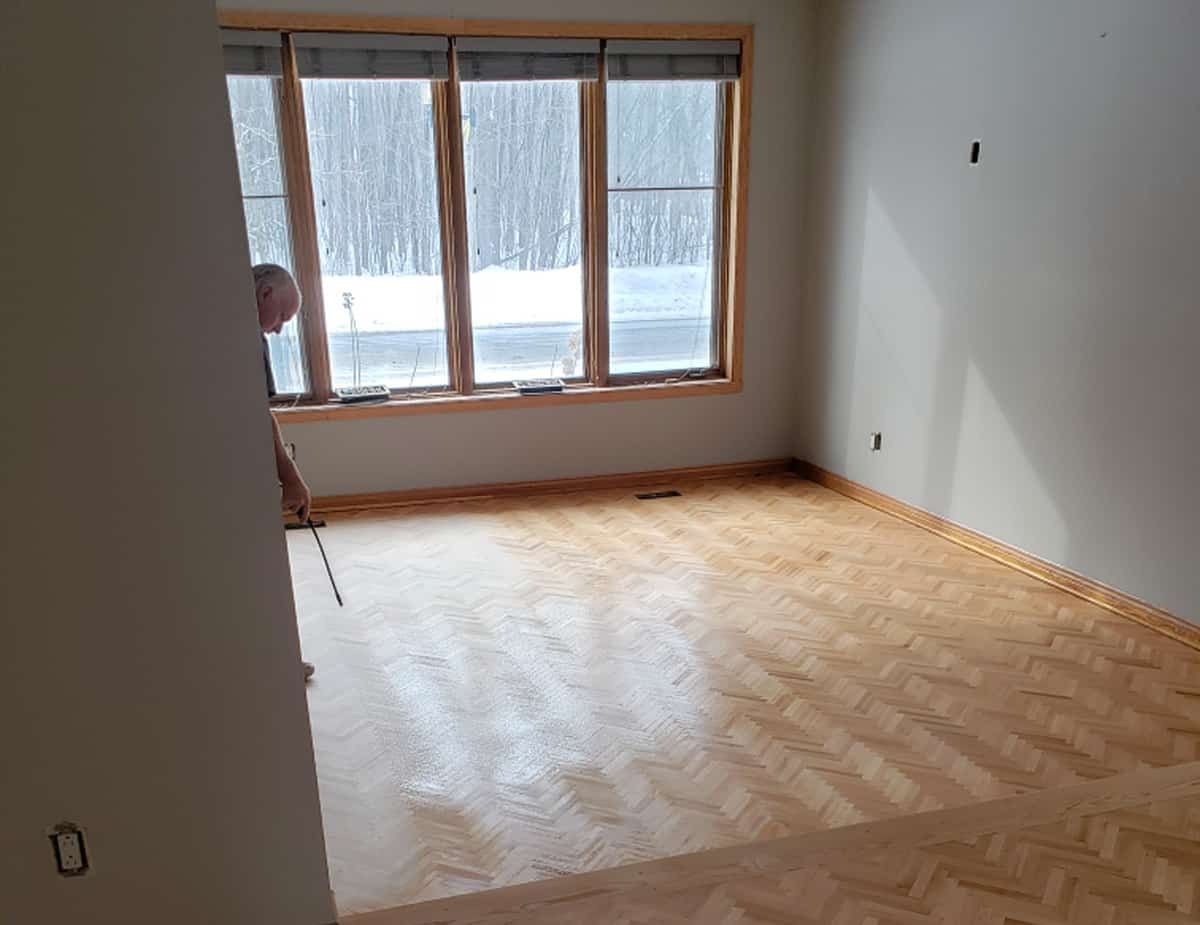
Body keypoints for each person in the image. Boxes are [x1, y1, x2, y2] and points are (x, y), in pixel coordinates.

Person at [254, 263, 315, 682]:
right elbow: (259, 416)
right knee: (259, 569)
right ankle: (273, 662)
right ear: (264, 295)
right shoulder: (241, 338)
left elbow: (262, 413)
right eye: (282, 317)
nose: (278, 330)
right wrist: (292, 478)